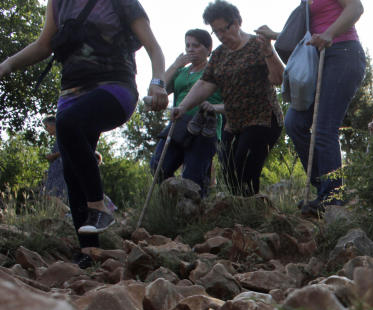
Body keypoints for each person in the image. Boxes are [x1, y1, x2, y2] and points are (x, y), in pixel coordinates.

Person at [0, 0, 167, 263]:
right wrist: (6, 65)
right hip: (70, 93)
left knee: (66, 123)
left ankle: (99, 206)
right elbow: (44, 45)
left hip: (114, 87)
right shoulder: (57, 3)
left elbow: (154, 48)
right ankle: (88, 252)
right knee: (71, 169)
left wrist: (158, 82)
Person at [256, 0, 365, 210]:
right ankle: (323, 186)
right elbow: (309, 34)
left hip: (343, 54)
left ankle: (332, 197)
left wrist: (330, 34)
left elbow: (356, 7)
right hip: (318, 57)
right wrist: (275, 35)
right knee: (295, 123)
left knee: (324, 128)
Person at [174, 0, 283, 197]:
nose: (222, 36)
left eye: (224, 29)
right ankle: (240, 219)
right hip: (233, 124)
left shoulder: (258, 45)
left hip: (263, 119)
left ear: (237, 22)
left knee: (245, 168)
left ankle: (253, 219)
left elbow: (279, 79)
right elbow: (206, 84)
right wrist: (182, 107)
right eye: (217, 32)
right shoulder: (219, 55)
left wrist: (269, 51)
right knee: (230, 174)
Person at [150, 29, 224, 196]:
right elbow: (157, 89)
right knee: (158, 166)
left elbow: (231, 100)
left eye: (196, 46)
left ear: (208, 49)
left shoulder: (216, 71)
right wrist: (176, 65)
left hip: (205, 125)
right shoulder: (181, 72)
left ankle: (195, 213)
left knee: (194, 176)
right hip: (178, 123)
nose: (190, 49)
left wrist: (215, 107)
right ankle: (173, 200)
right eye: (188, 45)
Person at [41, 115, 68, 203]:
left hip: (60, 170)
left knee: (52, 194)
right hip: (56, 170)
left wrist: (53, 156)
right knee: (52, 194)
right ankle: (64, 215)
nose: (46, 129)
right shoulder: (58, 138)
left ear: (53, 125)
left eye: (46, 126)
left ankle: (67, 212)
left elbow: (67, 149)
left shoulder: (63, 136)